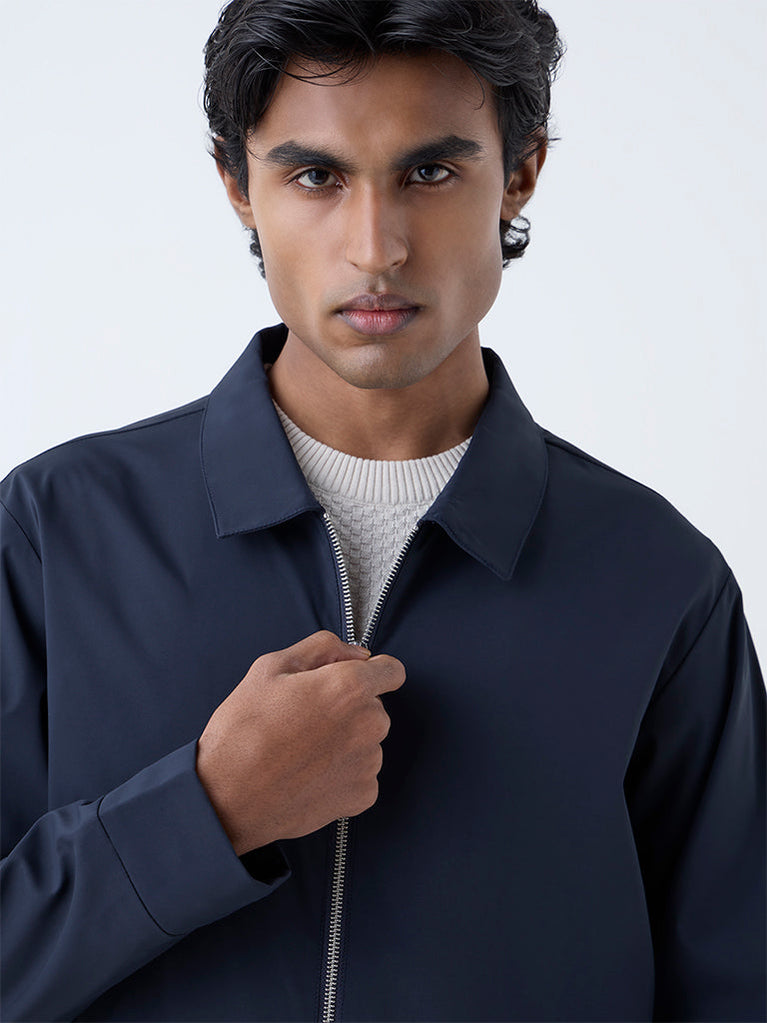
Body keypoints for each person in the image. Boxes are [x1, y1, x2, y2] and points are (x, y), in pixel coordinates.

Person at [1, 0, 764, 1019]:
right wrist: (209, 812)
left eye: (429, 172)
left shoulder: (658, 578)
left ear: (520, 172)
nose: (375, 247)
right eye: (315, 176)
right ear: (237, 185)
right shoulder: (55, 533)